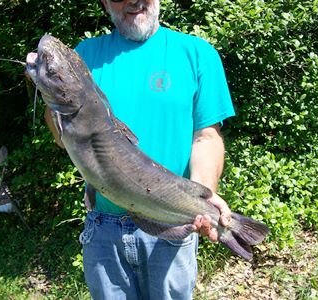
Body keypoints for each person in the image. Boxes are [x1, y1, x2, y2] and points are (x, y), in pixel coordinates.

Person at [45, 0, 235, 298]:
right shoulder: (83, 57)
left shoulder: (197, 54)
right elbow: (63, 137)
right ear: (106, 2)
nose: (134, 0)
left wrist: (201, 197)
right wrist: (49, 90)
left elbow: (206, 137)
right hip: (103, 229)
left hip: (168, 220)